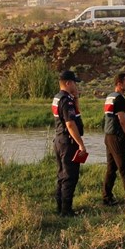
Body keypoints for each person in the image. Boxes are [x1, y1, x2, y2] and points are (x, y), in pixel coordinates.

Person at [52, 70, 88, 217]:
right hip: (68, 142)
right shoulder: (66, 100)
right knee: (70, 177)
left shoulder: (58, 97)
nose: (75, 85)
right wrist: (81, 144)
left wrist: (76, 99)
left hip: (59, 141)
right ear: (68, 83)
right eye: (74, 82)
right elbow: (70, 124)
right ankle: (66, 211)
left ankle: (60, 207)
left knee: (62, 175)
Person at [102, 72, 125, 205]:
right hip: (117, 137)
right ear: (119, 84)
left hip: (108, 136)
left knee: (111, 168)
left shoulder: (109, 97)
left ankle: (107, 197)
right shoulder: (119, 99)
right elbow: (122, 121)